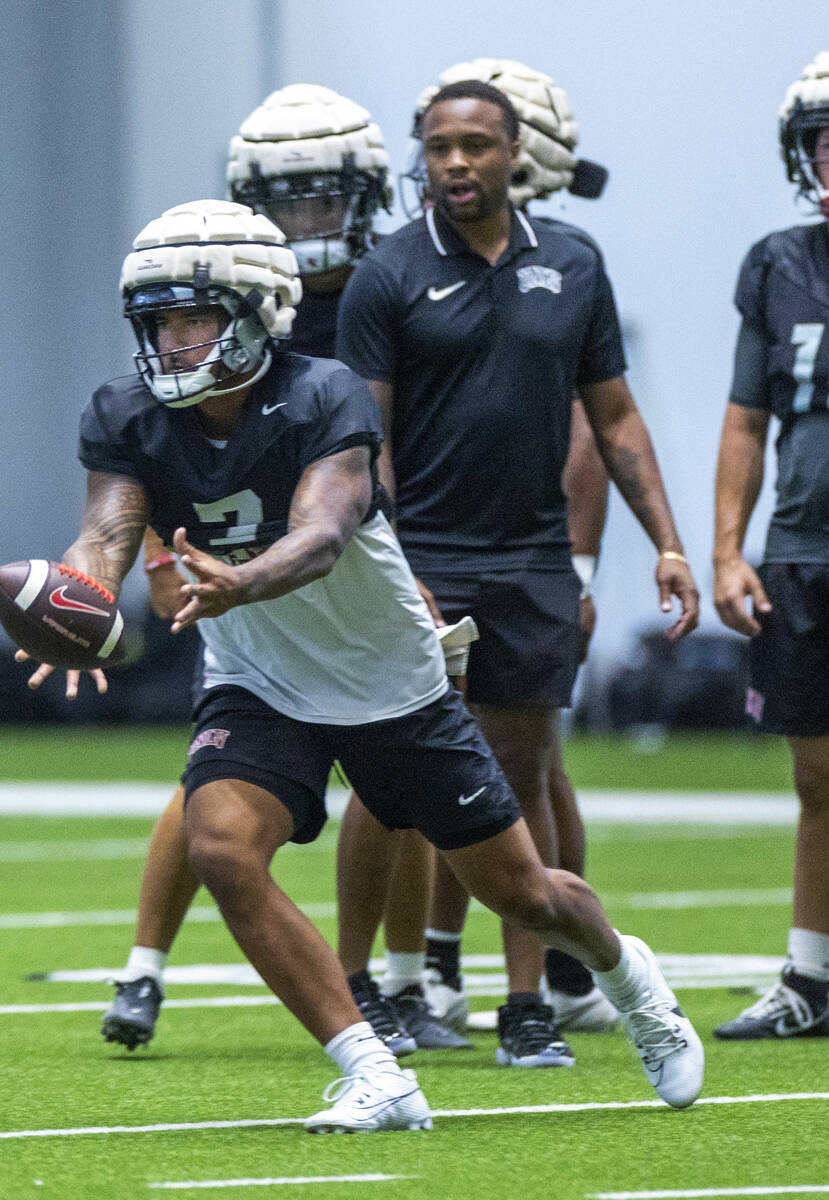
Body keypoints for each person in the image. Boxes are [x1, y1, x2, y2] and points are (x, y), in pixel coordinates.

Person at [22, 198, 704, 1125]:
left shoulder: (322, 393)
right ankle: (375, 1072)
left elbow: (324, 533)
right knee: (223, 845)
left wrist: (241, 583)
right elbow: (106, 530)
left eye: (193, 316)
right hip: (257, 676)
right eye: (158, 320)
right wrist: (74, 601)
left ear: (257, 310)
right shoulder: (124, 413)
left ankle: (630, 978)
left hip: (386, 674)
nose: (172, 341)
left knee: (521, 891)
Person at [334, 76, 701, 1072]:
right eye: (438, 147)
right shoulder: (388, 273)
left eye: (474, 146)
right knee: (386, 777)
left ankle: (525, 1006)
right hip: (424, 560)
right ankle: (354, 989)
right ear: (422, 157)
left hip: (532, 560)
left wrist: (666, 543)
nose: (455, 163)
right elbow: (361, 441)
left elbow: (615, 421)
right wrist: (389, 563)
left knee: (520, 774)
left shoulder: (574, 265)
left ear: (511, 155)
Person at [101, 84, 463, 1056]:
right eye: (284, 198)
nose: (305, 220)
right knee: (216, 771)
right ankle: (145, 963)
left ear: (364, 193)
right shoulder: (219, 286)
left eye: (322, 196)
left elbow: (384, 452)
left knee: (403, 771)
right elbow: (151, 450)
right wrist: (151, 559)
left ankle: (398, 978)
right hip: (238, 560)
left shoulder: (393, 284)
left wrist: (408, 557)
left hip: (355, 541)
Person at [712, 40, 829, 1041]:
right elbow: (744, 420)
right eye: (825, 140)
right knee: (817, 776)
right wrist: (726, 548)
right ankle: (803, 982)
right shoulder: (774, 262)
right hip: (802, 549)